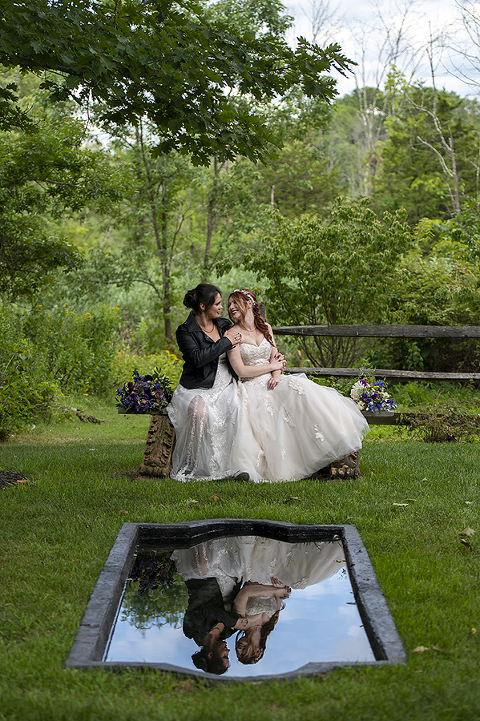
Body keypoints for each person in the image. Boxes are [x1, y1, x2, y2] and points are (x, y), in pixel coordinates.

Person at [227, 289, 369, 482]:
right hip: (251, 386)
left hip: (273, 379)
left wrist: (276, 374)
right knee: (271, 407)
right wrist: (273, 367)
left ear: (250, 303)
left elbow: (276, 356)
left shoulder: (265, 328)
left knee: (299, 388)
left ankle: (329, 447)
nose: (231, 308)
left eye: (235, 303)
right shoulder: (232, 334)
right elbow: (240, 371)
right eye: (229, 305)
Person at [167, 283, 285, 480]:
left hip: (226, 382)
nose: (222, 308)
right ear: (203, 306)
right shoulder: (185, 331)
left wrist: (276, 362)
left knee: (237, 408)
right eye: (218, 304)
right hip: (198, 385)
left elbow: (250, 334)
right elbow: (197, 359)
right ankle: (193, 464)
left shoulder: (223, 324)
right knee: (199, 413)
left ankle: (236, 465)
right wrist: (225, 342)